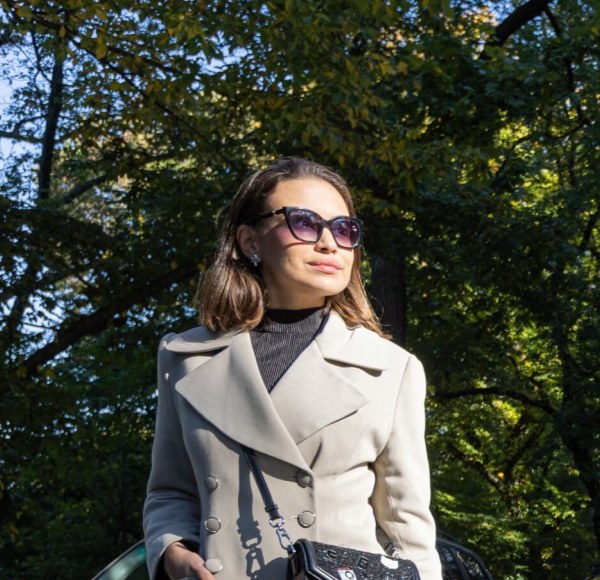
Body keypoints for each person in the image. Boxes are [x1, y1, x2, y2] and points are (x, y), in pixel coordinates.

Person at [143, 157, 443, 580]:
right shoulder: (187, 357)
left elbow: (407, 528)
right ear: (249, 239)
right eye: (304, 222)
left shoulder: (390, 369)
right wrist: (173, 549)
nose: (328, 243)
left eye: (344, 229)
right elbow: (171, 491)